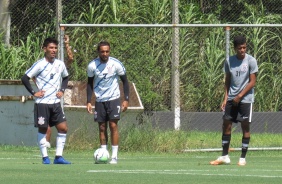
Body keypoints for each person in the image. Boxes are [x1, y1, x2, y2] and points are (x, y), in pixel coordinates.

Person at [210, 35, 258, 166]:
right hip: (231, 98)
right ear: (235, 48)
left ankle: (242, 158)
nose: (242, 50)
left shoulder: (251, 61)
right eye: (239, 48)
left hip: (246, 99)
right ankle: (225, 156)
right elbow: (227, 81)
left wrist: (240, 96)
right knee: (226, 124)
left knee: (245, 126)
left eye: (244, 47)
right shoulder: (229, 61)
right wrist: (225, 99)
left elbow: (252, 82)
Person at [21, 37, 71, 164]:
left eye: (55, 48)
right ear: (45, 49)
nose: (53, 50)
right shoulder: (40, 64)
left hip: (55, 103)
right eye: (51, 48)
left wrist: (62, 90)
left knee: (63, 128)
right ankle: (45, 157)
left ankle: (58, 157)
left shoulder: (60, 64)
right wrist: (34, 93)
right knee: (43, 129)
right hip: (42, 103)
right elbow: (25, 78)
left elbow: (65, 77)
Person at [86, 41, 129, 164]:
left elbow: (125, 81)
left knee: (113, 126)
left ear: (109, 51)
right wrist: (88, 101)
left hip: (114, 99)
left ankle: (114, 157)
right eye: (102, 51)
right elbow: (89, 83)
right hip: (100, 100)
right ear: (98, 52)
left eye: (107, 51)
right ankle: (103, 153)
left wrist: (126, 99)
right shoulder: (92, 66)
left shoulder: (116, 64)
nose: (105, 53)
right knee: (102, 127)